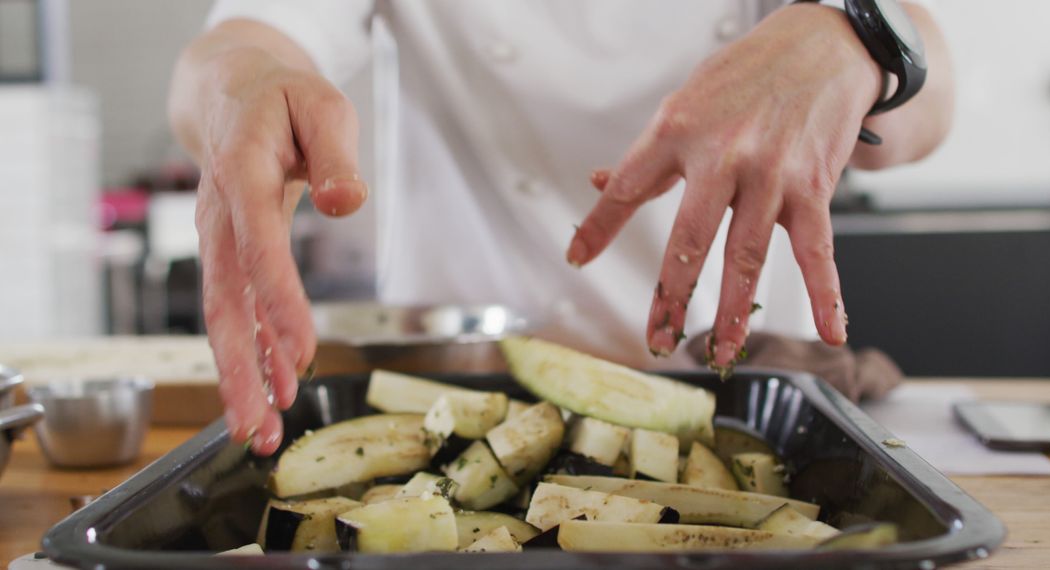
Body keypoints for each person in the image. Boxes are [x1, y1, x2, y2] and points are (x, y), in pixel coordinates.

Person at [168, 0, 954, 454]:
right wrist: (241, 84)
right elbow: (243, 38)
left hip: (737, 408)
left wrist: (860, 45)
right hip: (457, 407)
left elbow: (933, 93)